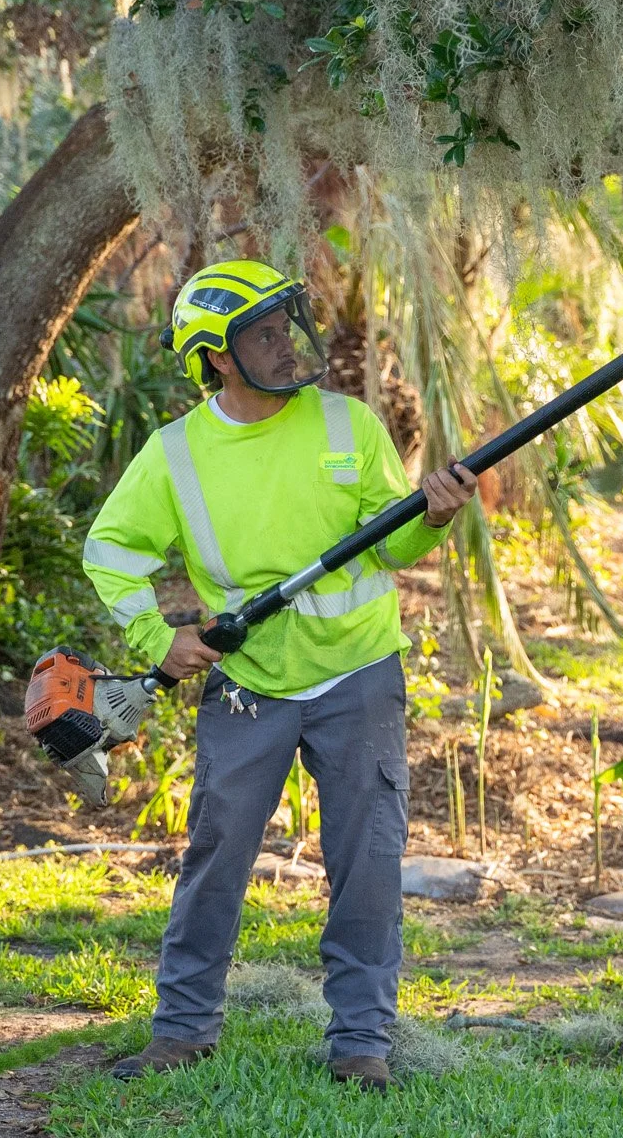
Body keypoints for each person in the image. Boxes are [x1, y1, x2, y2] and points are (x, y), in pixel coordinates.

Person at [80, 259, 476, 1091]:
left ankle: (361, 1042)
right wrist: (159, 637)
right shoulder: (177, 455)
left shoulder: (348, 425)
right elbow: (109, 552)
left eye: (286, 323)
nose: (286, 343)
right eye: (262, 332)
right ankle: (183, 1028)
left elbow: (392, 545)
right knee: (218, 851)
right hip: (246, 683)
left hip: (359, 674)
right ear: (217, 358)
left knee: (367, 856)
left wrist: (431, 519)